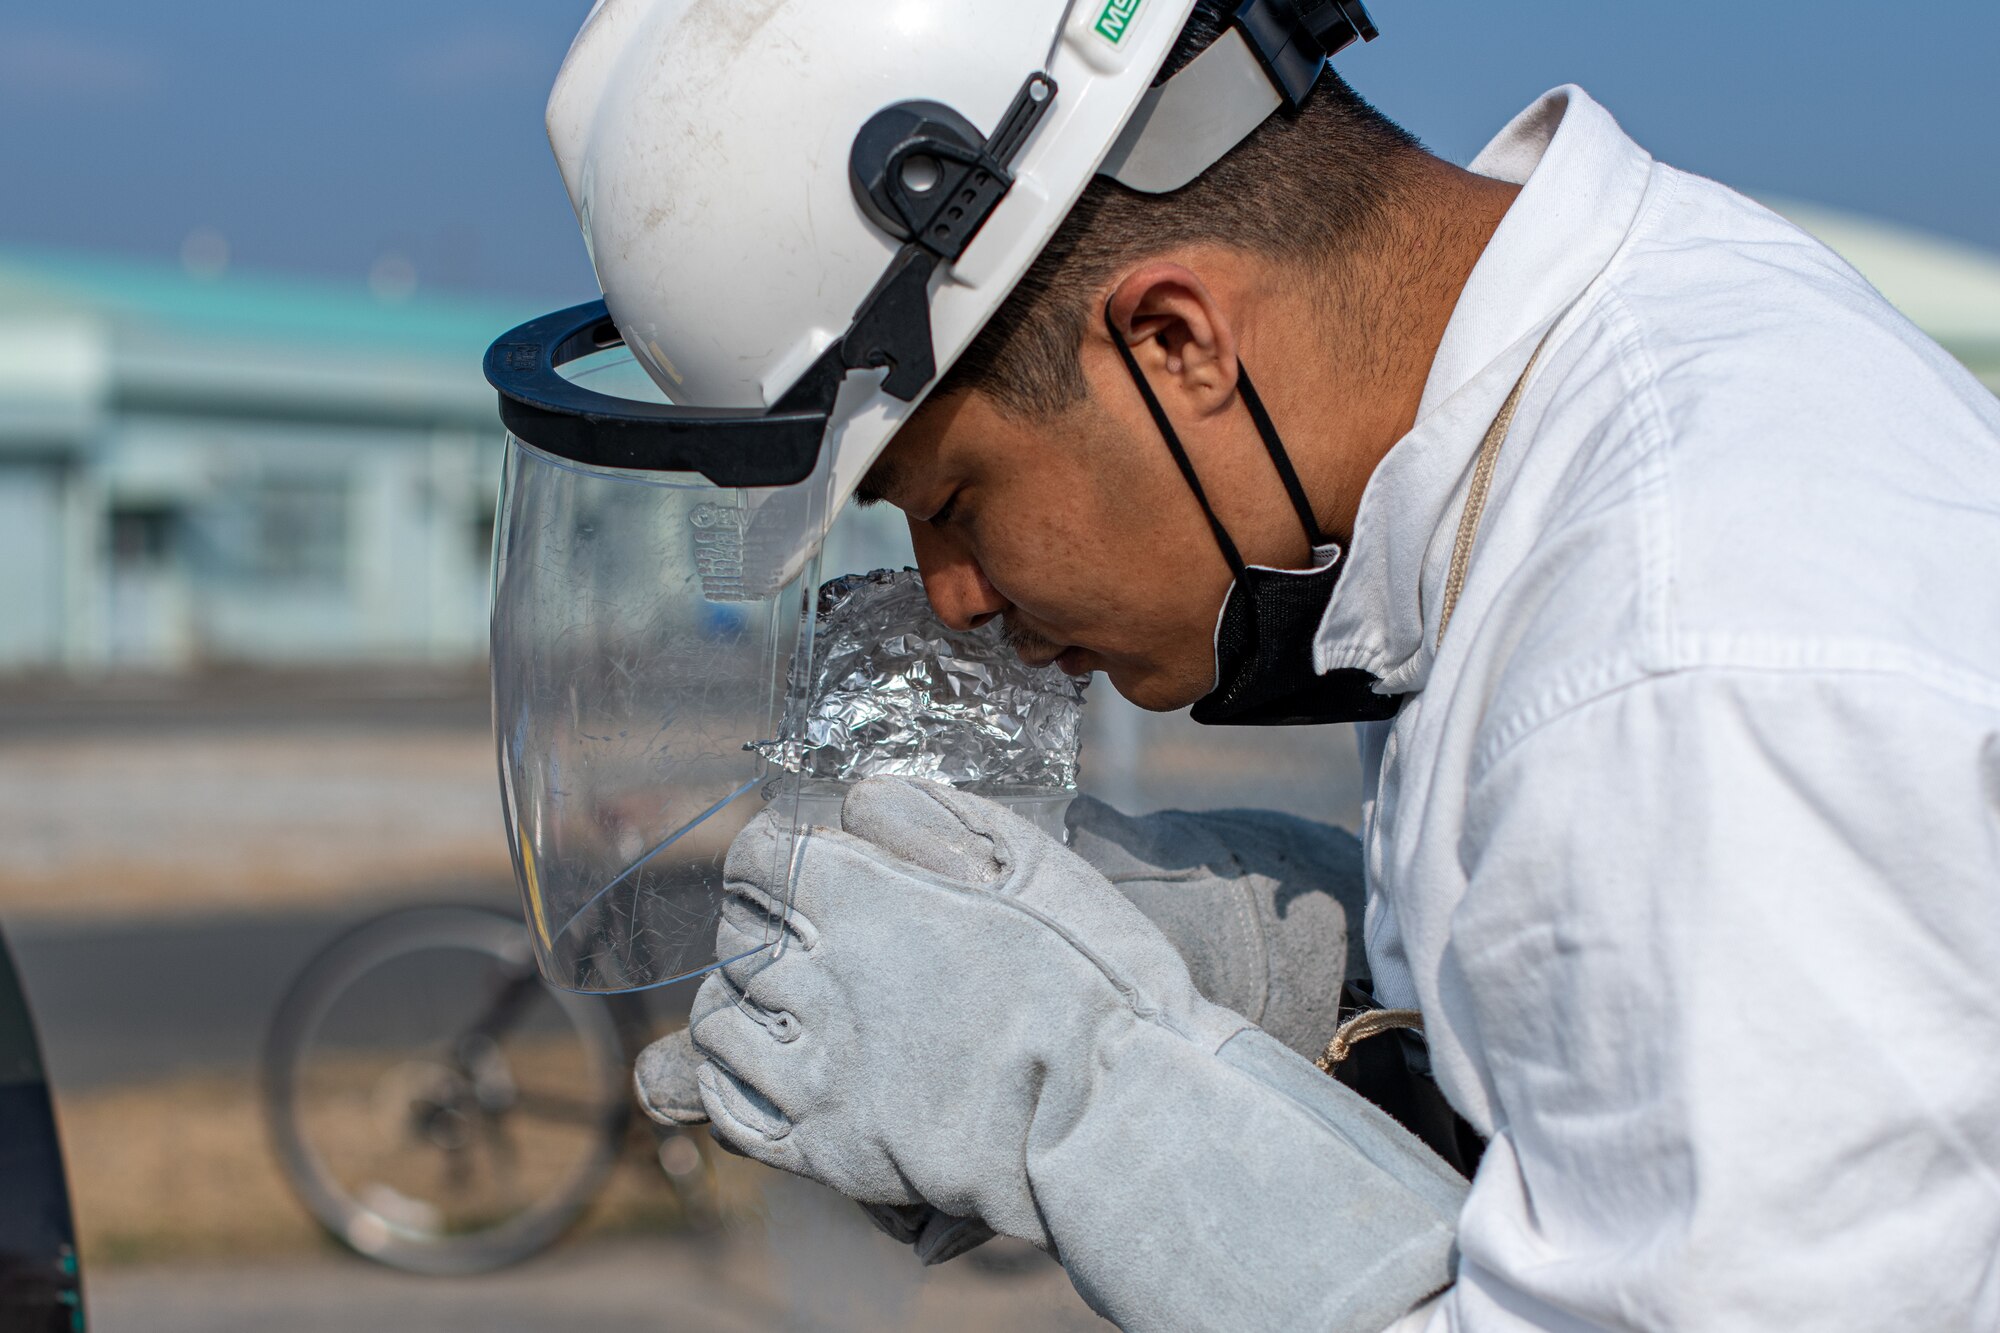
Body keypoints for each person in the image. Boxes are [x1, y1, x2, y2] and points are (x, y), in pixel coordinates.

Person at [497, 2, 2000, 1328]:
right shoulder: (1590, 411)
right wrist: (1298, 966)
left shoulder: (1682, 655)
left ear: (1176, 344)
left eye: (950, 505)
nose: (954, 598)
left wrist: (1091, 1101)